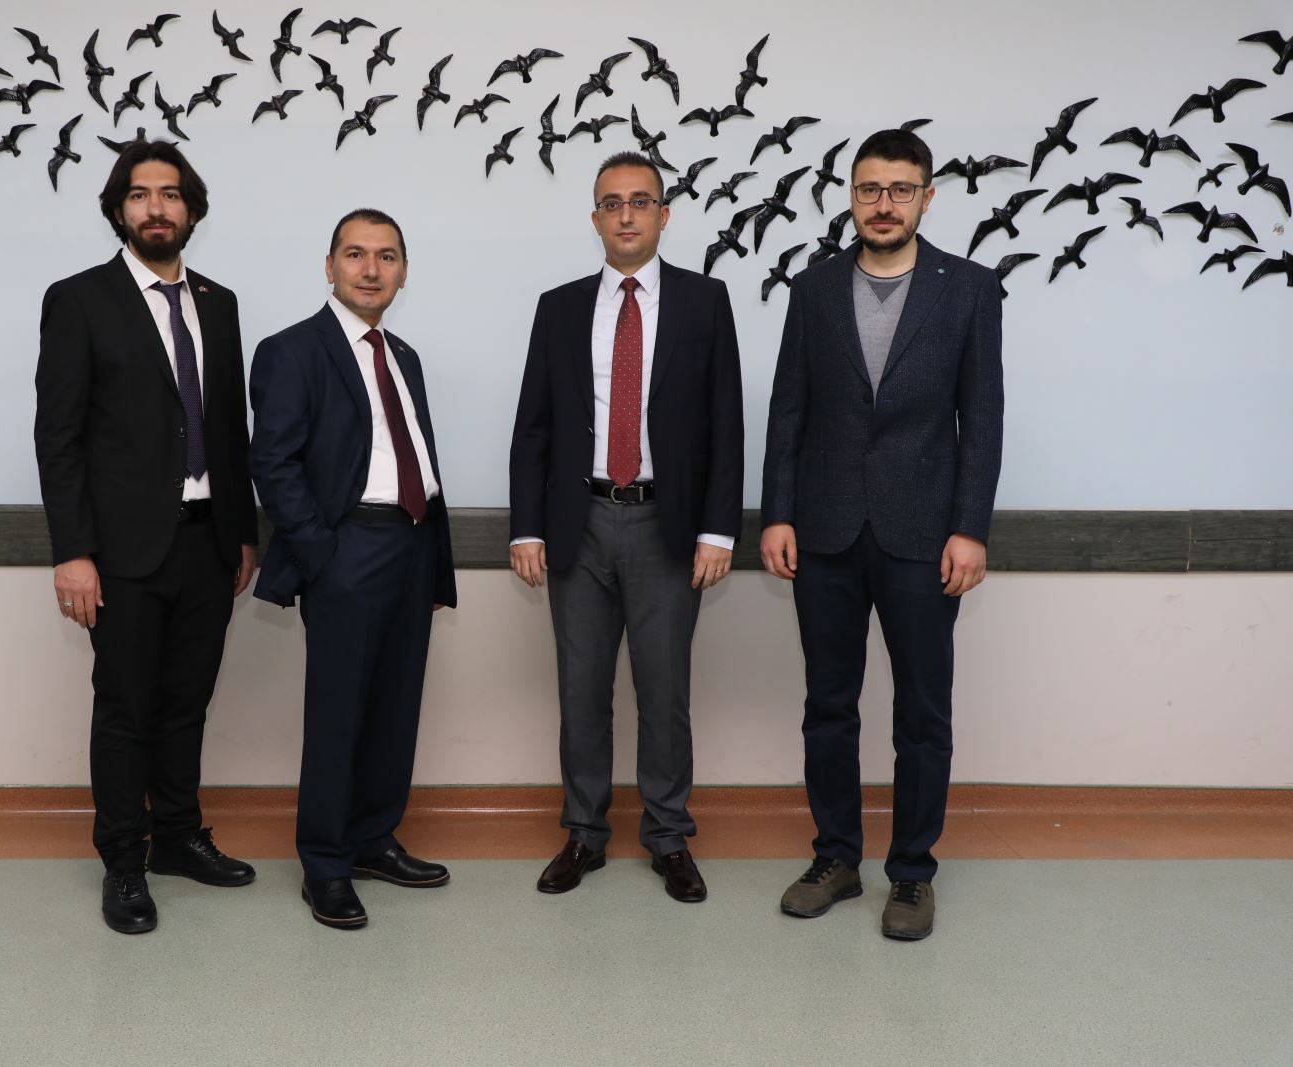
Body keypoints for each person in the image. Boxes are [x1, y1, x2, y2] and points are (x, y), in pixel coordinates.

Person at [759, 128, 1004, 941]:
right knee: (828, 706)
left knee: (922, 713)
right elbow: (788, 407)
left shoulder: (969, 289)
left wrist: (970, 528)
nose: (884, 204)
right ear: (852, 196)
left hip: (925, 535)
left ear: (927, 198)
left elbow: (984, 418)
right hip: (824, 531)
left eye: (901, 189)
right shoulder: (813, 288)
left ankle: (912, 873)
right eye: (870, 189)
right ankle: (835, 858)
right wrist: (778, 511)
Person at [34, 140, 260, 934]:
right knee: (126, 708)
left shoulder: (220, 303)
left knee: (186, 703)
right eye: (139, 194)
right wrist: (72, 551)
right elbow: (58, 437)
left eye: (170, 194)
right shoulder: (78, 300)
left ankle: (178, 837)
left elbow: (228, 429)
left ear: (191, 209)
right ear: (118, 210)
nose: (156, 207)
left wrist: (242, 532)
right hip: (121, 552)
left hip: (208, 543)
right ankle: (124, 861)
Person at [509, 151, 743, 903]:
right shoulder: (559, 306)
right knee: (581, 690)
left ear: (664, 215)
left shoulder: (706, 301)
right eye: (612, 203)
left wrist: (718, 531)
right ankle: (584, 832)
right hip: (577, 523)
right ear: (595, 219)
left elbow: (726, 423)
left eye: (641, 201)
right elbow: (533, 425)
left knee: (664, 691)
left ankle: (669, 836)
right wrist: (526, 527)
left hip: (665, 525)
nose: (627, 214)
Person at [249, 208, 457, 930]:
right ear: (330, 265)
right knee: (339, 713)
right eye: (356, 254)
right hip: (347, 550)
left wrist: (433, 561)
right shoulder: (291, 350)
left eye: (387, 256)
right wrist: (322, 553)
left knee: (395, 708)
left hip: (411, 544)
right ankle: (325, 864)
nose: (372, 269)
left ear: (404, 271)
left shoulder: (405, 356)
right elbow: (273, 462)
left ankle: (373, 839)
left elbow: (417, 458)